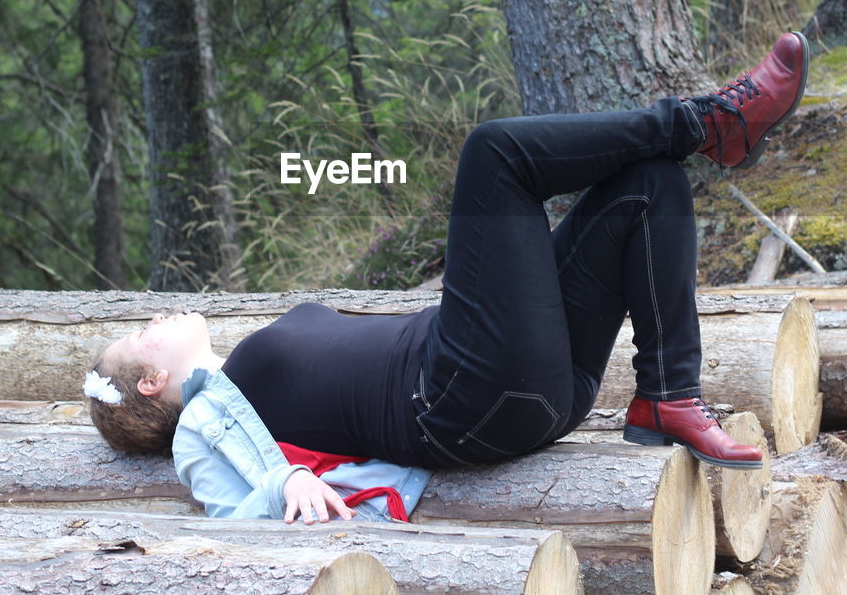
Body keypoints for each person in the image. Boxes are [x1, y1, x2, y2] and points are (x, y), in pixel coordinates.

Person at [84, 31, 810, 525]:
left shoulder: (241, 385)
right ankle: (707, 123)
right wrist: (282, 484)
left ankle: (668, 392)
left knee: (648, 186)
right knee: (494, 154)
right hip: (462, 392)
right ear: (152, 381)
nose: (157, 319)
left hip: (515, 378)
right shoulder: (215, 411)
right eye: (142, 334)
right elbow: (221, 499)